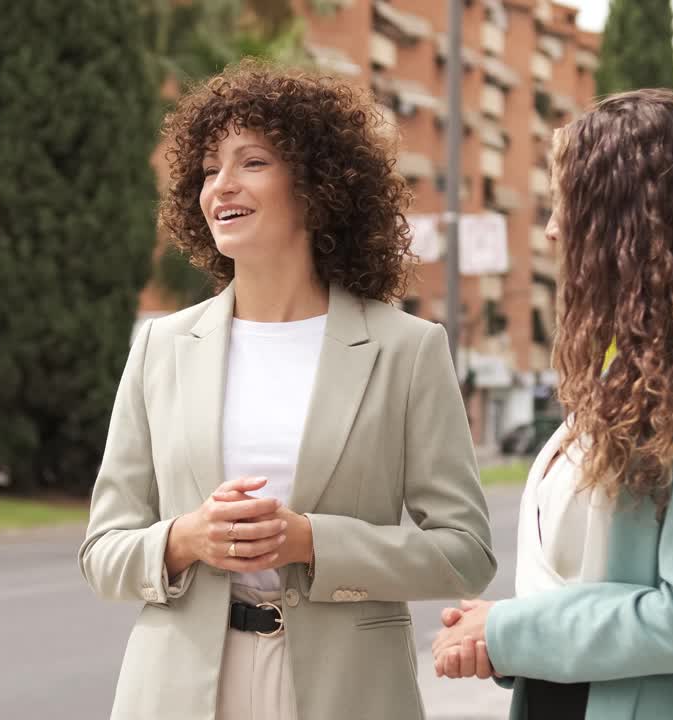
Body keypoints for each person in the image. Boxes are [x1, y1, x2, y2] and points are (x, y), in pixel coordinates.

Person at [79, 60, 497, 720]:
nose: (220, 186)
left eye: (251, 162)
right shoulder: (162, 348)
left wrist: (312, 542)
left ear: (313, 184)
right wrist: (186, 539)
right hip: (180, 690)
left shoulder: (407, 350)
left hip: (348, 692)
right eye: (209, 169)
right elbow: (102, 552)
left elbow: (465, 553)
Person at [432, 89, 673, 720]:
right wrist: (502, 640)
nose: (553, 228)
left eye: (568, 205)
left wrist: (508, 630)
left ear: (628, 227)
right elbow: (581, 588)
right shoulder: (632, 377)